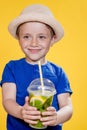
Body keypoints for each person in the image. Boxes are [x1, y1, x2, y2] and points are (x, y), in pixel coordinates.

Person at [1, 4, 73, 130]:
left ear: (52, 40)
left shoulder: (58, 73)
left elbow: (67, 108)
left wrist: (57, 117)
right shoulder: (11, 68)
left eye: (41, 37)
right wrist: (21, 112)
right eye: (26, 37)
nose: (34, 43)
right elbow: (8, 100)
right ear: (19, 38)